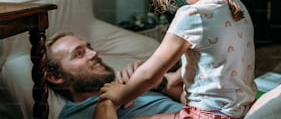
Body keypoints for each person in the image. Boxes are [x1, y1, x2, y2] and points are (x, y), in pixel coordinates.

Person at [99, 0, 257, 119]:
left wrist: (120, 95)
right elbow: (216, 58)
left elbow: (150, 75)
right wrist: (173, 78)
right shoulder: (235, 4)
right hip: (240, 111)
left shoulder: (192, 15)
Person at [46, 32, 183, 119]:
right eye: (79, 54)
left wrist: (159, 82)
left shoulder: (130, 79)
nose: (94, 53)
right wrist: (110, 101)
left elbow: (194, 100)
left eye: (90, 48)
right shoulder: (75, 115)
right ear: (56, 77)